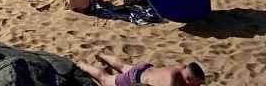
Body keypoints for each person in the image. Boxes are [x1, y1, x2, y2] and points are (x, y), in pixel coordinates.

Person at [73, 55, 205, 86]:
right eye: (197, 84)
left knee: (123, 66)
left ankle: (102, 55)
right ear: (187, 80)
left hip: (145, 68)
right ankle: (82, 64)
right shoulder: (170, 82)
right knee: (105, 79)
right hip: (134, 78)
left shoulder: (182, 67)